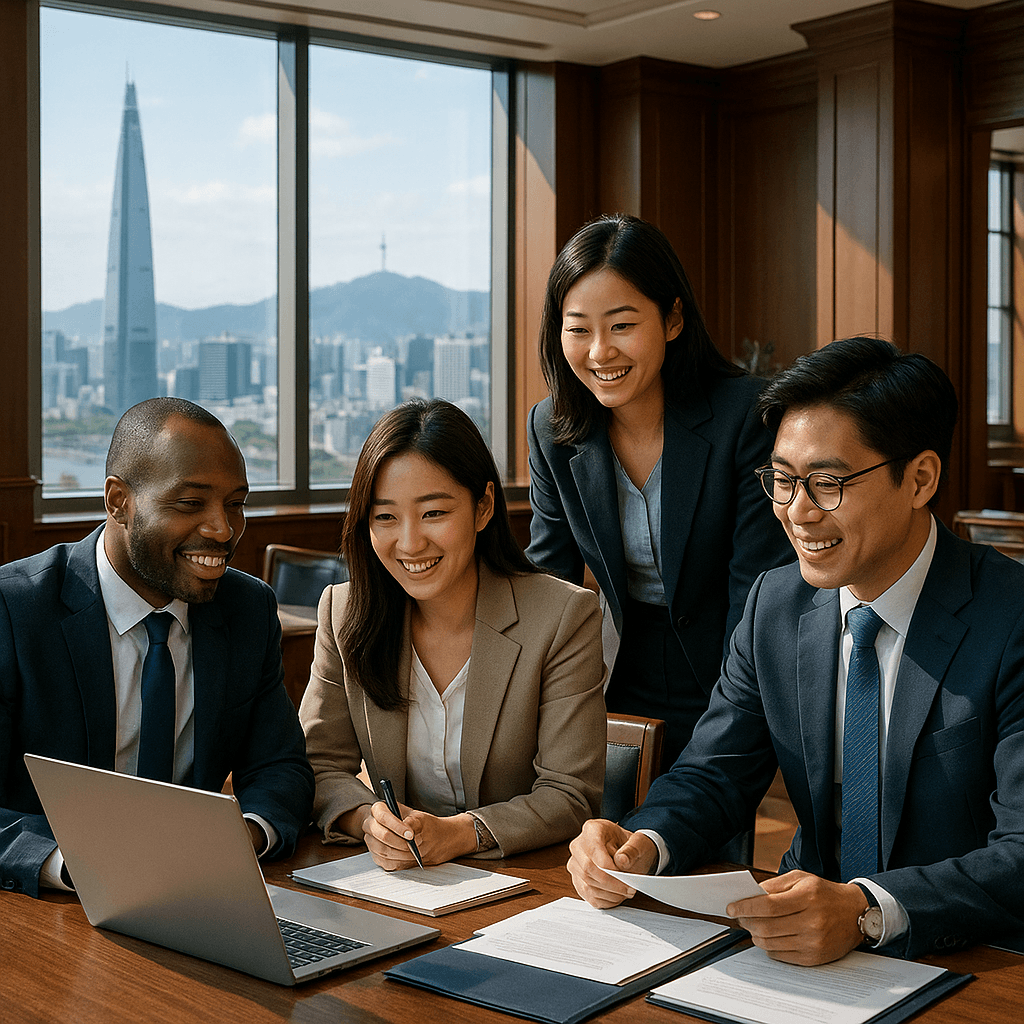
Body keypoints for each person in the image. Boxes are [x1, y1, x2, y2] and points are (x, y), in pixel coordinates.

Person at [566, 336, 1024, 964]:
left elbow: (1021, 852)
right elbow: (715, 771)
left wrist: (865, 911)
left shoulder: (1011, 618)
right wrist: (644, 841)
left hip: (968, 954)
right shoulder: (775, 605)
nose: (798, 512)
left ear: (919, 479)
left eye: (828, 483)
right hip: (790, 940)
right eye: (782, 481)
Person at [0, 398, 314, 898]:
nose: (223, 529)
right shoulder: (14, 609)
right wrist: (78, 864)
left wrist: (245, 834)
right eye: (191, 503)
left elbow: (279, 766)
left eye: (236, 504)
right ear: (118, 501)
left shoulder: (247, 609)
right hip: (48, 910)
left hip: (197, 894)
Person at [527, 213, 792, 773]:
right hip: (619, 666)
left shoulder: (745, 415)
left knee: (701, 826)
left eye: (621, 325)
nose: (599, 352)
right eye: (577, 329)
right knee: (608, 842)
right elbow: (547, 581)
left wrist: (736, 708)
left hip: (732, 658)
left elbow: (757, 589)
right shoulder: (553, 429)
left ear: (672, 318)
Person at [299, 398, 606, 868]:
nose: (409, 542)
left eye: (433, 513)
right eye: (385, 517)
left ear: (482, 507)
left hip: (527, 885)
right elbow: (316, 765)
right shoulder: (344, 613)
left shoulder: (563, 616)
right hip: (397, 884)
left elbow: (569, 795)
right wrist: (367, 819)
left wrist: (461, 834)